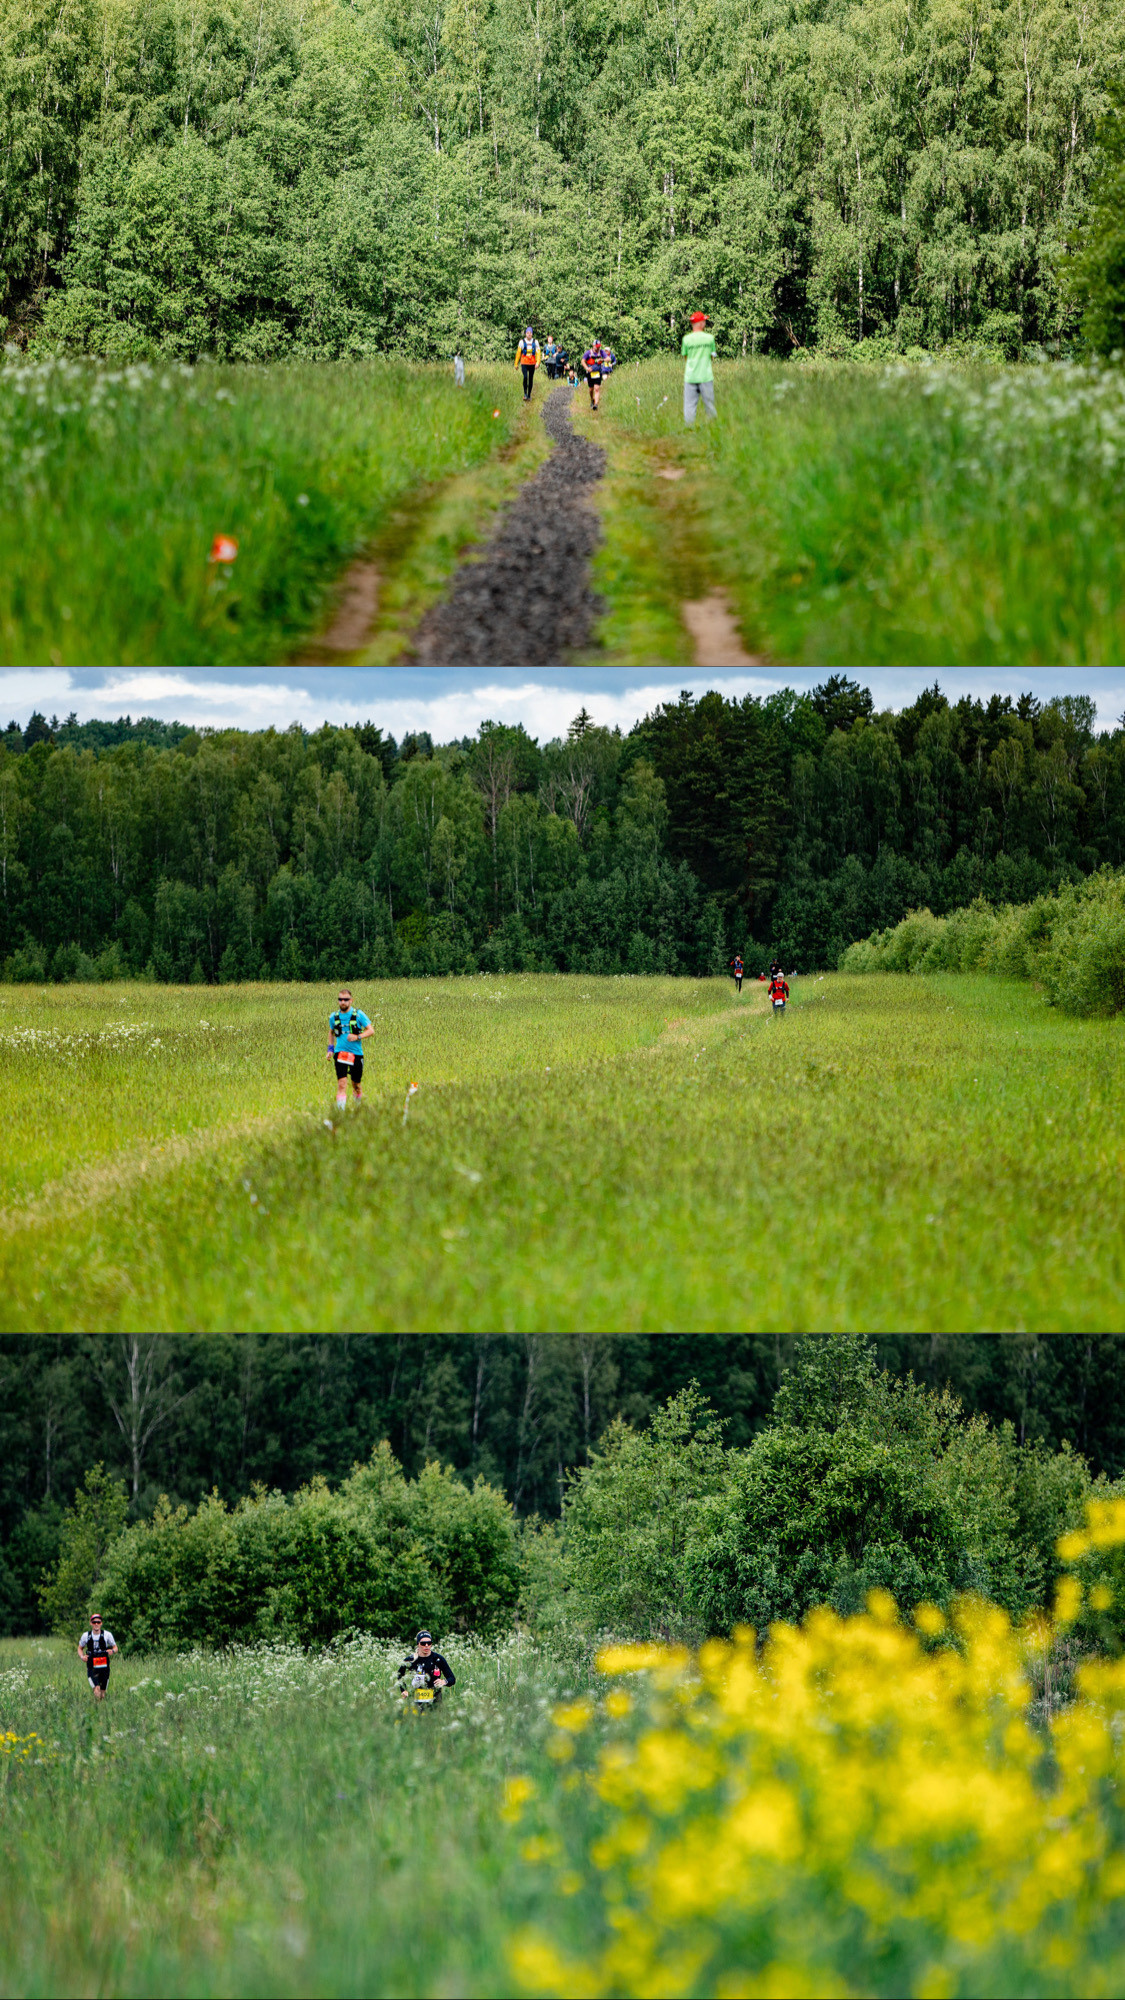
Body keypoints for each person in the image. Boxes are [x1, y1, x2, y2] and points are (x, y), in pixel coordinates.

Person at [327, 986, 374, 1110]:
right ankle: (341, 1113)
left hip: (356, 1054)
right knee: (342, 1084)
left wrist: (358, 1036)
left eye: (346, 999)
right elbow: (331, 1033)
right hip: (340, 1053)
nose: (343, 1002)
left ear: (351, 1000)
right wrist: (330, 1049)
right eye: (340, 999)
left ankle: (358, 1109)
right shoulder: (333, 1017)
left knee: (356, 1084)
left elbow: (371, 1030)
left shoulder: (358, 1015)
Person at [397, 1630, 456, 1707]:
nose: (426, 1645)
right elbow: (399, 1675)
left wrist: (444, 1682)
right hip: (415, 1700)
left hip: (435, 1699)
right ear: (418, 1644)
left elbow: (452, 1678)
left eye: (429, 1643)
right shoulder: (411, 1659)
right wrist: (403, 1690)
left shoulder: (438, 1659)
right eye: (423, 1643)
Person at [681, 309, 717, 423]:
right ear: (701, 323)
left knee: (689, 407)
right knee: (710, 406)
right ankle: (713, 427)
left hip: (690, 377)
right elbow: (712, 356)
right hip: (706, 376)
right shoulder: (710, 338)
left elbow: (685, 357)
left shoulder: (686, 339)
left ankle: (689, 429)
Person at [78, 1613, 118, 1701]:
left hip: (104, 1667)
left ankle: (100, 1707)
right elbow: (80, 1648)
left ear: (101, 1623)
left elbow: (115, 1648)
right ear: (91, 1623)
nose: (96, 1624)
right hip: (92, 1666)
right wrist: (82, 1657)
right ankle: (97, 1706)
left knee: (102, 1694)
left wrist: (112, 1651)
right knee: (97, 1689)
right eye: (94, 1622)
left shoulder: (107, 1634)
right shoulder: (86, 1635)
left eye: (98, 1622)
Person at [515, 327, 541, 401]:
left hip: (532, 363)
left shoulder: (535, 342)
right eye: (528, 333)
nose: (529, 334)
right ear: (525, 334)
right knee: (525, 377)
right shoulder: (521, 342)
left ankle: (529, 395)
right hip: (524, 362)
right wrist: (516, 363)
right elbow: (518, 353)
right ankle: (525, 394)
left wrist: (538, 362)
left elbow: (538, 353)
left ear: (532, 334)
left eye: (530, 333)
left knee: (530, 378)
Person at [583, 338, 609, 410]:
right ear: (593, 345)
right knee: (591, 389)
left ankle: (596, 404)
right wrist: (587, 368)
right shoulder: (588, 353)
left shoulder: (601, 352)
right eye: (597, 346)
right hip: (590, 373)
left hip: (598, 373)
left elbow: (608, 359)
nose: (598, 348)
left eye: (599, 346)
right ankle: (592, 399)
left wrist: (602, 360)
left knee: (597, 389)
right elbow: (582, 361)